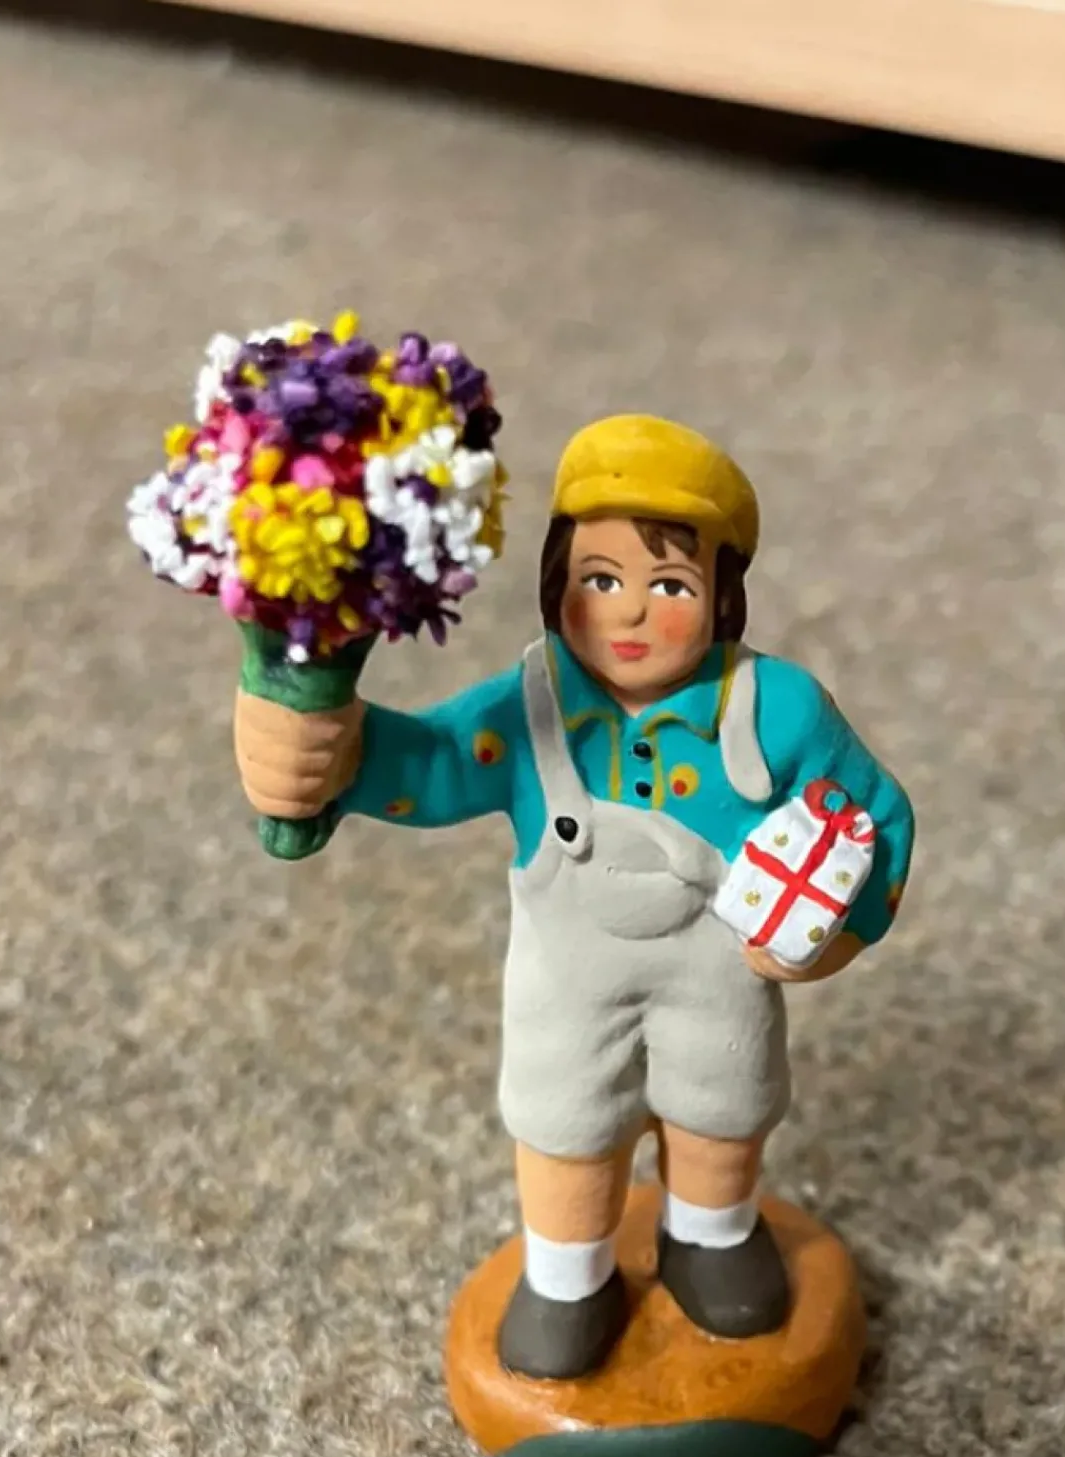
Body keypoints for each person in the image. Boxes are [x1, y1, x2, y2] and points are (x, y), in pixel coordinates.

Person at [234, 414, 915, 1381]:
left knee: (723, 1102)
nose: (629, 614)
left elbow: (877, 817)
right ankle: (566, 1276)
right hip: (568, 979)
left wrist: (836, 936)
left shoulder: (779, 712)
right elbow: (435, 763)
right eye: (600, 580)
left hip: (720, 968)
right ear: (556, 582)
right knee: (565, 1119)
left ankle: (712, 1233)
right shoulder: (530, 708)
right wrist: (327, 746)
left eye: (669, 586)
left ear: (724, 599)